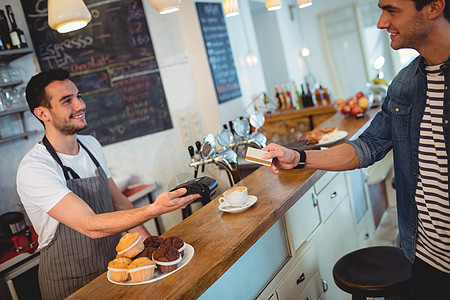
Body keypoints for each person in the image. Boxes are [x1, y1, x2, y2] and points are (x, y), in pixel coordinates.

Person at [262, 0, 449, 298]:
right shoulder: (404, 85)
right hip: (425, 261)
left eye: (392, 10)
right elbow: (367, 145)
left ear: (434, 7)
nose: (381, 22)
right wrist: (298, 157)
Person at [16, 68, 199, 299]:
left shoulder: (91, 145)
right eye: (67, 100)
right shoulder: (35, 168)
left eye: (79, 96)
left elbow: (120, 204)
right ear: (43, 113)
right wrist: (156, 209)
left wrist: (152, 251)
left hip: (117, 269)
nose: (80, 105)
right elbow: (89, 225)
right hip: (71, 283)